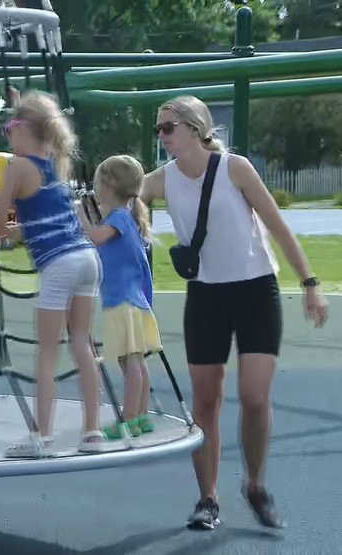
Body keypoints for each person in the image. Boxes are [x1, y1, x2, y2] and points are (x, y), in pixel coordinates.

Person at [140, 96, 329, 530]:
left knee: (255, 395)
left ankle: (255, 485)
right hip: (205, 297)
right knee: (205, 400)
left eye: (167, 127)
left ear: (193, 127)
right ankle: (207, 498)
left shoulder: (235, 169)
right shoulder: (160, 180)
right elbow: (114, 193)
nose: (162, 136)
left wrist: (310, 285)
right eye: (159, 129)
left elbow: (278, 225)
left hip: (255, 291)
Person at [0, 88, 106, 456]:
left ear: (26, 129)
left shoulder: (18, 167)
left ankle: (41, 435)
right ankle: (92, 432)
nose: (6, 135)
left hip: (58, 264)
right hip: (87, 260)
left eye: (9, 128)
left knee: (46, 354)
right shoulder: (53, 160)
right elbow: (19, 225)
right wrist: (19, 103)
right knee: (82, 345)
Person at [76, 155, 161, 440]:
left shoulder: (121, 217)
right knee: (135, 360)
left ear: (109, 185)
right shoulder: (124, 217)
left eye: (98, 182)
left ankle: (129, 418)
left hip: (123, 302)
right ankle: (142, 417)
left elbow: (96, 238)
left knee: (130, 362)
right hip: (131, 300)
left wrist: (82, 217)